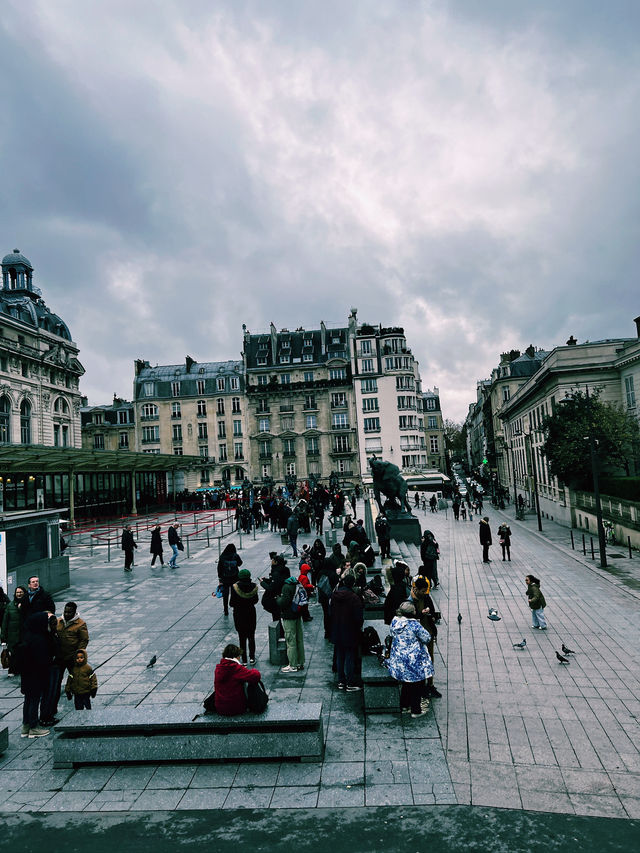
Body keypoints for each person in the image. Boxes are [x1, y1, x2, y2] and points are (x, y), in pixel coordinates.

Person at [387, 601, 434, 718]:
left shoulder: (395, 621)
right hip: (414, 660)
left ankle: (404, 705)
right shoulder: (414, 625)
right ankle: (415, 710)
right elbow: (427, 638)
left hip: (399, 659)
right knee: (417, 684)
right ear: (412, 612)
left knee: (406, 682)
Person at [20, 611, 55, 738]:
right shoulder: (39, 639)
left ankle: (26, 726)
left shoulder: (28, 635)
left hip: (27, 675)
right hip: (36, 675)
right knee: (34, 700)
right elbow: (43, 660)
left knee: (28, 700)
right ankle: (33, 728)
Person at [330, 575, 363, 691]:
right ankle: (350, 682)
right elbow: (358, 617)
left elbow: (330, 613)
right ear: (353, 584)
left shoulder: (335, 595)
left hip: (337, 629)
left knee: (340, 655)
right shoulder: (354, 598)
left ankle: (340, 681)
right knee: (349, 656)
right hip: (350, 630)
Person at [411, 577, 441, 698]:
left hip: (428, 632)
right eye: (423, 591)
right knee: (420, 660)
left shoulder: (427, 597)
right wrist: (421, 613)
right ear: (416, 589)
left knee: (429, 659)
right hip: (417, 636)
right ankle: (421, 685)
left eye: (426, 590)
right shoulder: (410, 601)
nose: (425, 593)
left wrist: (431, 615)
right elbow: (410, 617)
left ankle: (430, 684)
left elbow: (433, 612)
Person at [213, 643, 262, 716]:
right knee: (251, 681)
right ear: (237, 656)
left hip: (220, 708)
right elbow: (256, 676)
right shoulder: (235, 668)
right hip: (235, 708)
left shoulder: (219, 668)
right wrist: (252, 670)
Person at [276, 576, 305, 673]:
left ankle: (292, 665)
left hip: (289, 616)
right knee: (299, 639)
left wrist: (278, 598)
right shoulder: (297, 583)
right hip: (297, 614)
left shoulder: (286, 587)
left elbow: (284, 602)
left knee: (290, 640)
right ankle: (300, 662)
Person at [230, 569, 259, 665]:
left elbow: (231, 603)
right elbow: (256, 600)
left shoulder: (235, 587)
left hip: (239, 614)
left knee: (241, 638)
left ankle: (244, 659)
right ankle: (252, 657)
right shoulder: (254, 586)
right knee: (251, 636)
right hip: (250, 613)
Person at [1, 585, 27, 677]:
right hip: (13, 636)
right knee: (13, 653)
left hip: (24, 635)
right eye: (17, 592)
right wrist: (3, 638)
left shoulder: (28, 605)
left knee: (23, 653)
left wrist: (22, 609)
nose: (19, 594)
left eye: (21, 592)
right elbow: (5, 622)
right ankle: (12, 670)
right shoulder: (10, 606)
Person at [260, 553, 290, 621]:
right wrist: (268, 580)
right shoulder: (285, 569)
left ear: (276, 562)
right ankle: (280, 630)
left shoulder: (276, 572)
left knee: (276, 617)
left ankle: (279, 631)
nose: (271, 561)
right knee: (277, 616)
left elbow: (271, 588)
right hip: (281, 594)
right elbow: (278, 582)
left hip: (275, 598)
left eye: (272, 560)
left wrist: (262, 583)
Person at [217, 543, 243, 616]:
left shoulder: (222, 556)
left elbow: (219, 568)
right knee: (234, 593)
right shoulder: (235, 555)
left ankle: (225, 609)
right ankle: (234, 606)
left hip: (225, 579)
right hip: (234, 577)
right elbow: (240, 563)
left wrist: (220, 577)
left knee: (225, 594)